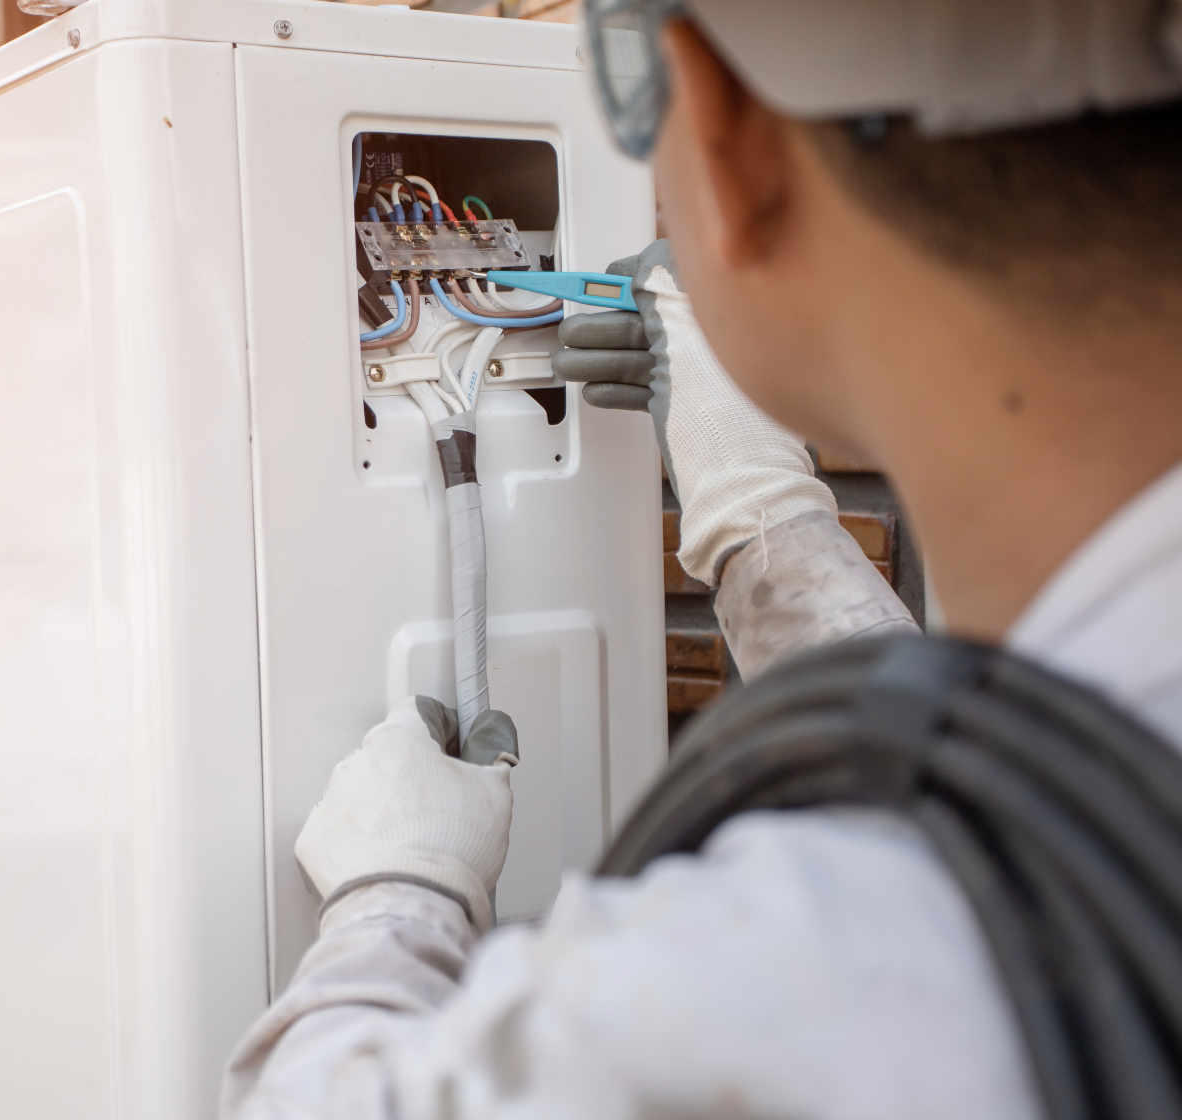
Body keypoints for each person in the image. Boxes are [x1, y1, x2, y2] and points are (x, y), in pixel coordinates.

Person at [221, 2, 1182, 1117]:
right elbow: (1042, 755)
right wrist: (758, 515)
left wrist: (398, 894)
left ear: (723, 142)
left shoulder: (783, 979)